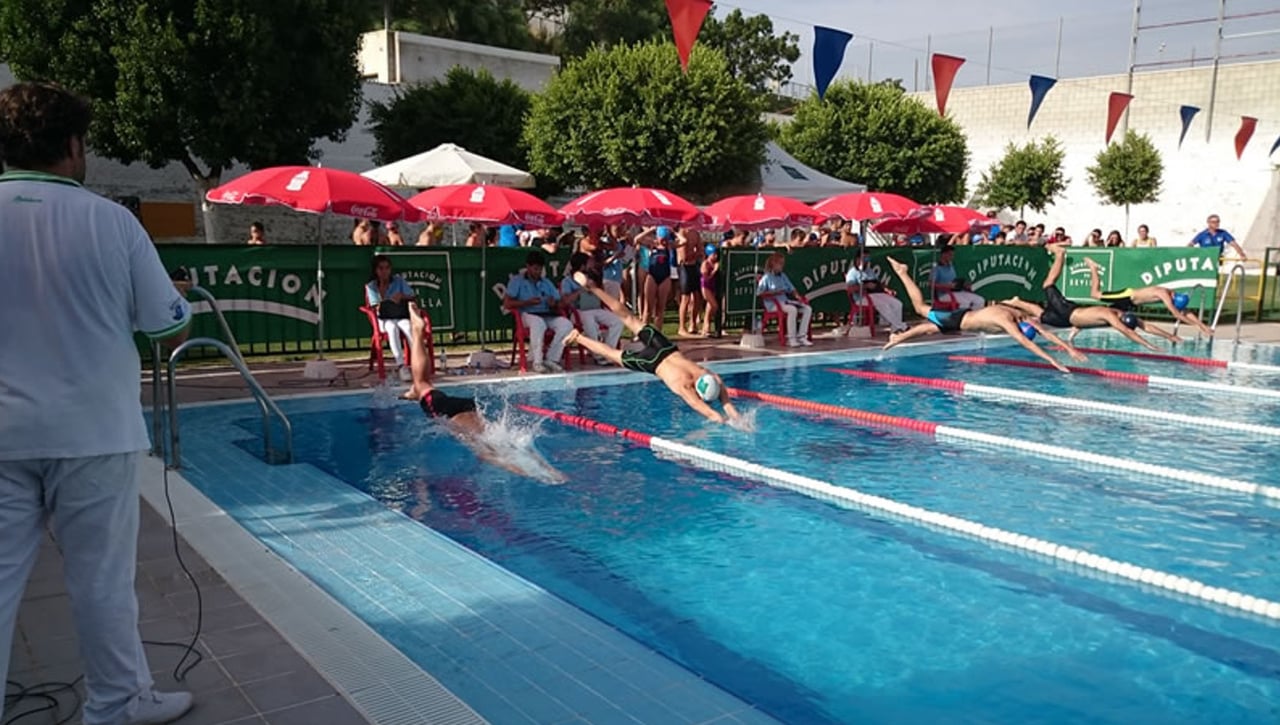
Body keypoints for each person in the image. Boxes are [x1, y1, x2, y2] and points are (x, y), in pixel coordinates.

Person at [0, 81, 195, 723]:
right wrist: (173, 294)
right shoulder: (111, 222)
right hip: (94, 432)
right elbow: (168, 328)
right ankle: (115, 706)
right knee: (101, 582)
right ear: (73, 146)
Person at [400, 304, 566, 484]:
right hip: (459, 410)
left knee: (423, 385)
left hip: (461, 409)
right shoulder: (488, 440)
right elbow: (493, 458)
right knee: (422, 384)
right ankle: (417, 332)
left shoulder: (492, 438)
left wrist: (547, 472)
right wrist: (539, 474)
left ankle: (415, 381)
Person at [563, 279, 741, 425]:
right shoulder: (684, 387)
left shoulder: (708, 374)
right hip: (652, 362)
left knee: (628, 317)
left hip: (665, 347)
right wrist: (736, 424)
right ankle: (578, 337)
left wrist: (732, 416)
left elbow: (724, 401)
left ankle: (593, 288)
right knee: (612, 354)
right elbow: (714, 414)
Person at [882, 257, 1081, 372]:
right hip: (958, 320)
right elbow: (1026, 342)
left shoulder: (1020, 315)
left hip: (962, 316)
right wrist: (1052, 361)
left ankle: (898, 338)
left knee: (929, 328)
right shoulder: (1006, 320)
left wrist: (1068, 348)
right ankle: (902, 272)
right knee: (920, 308)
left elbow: (1046, 333)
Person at [1000, 244, 1162, 351]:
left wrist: (1167, 337)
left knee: (1043, 316)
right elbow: (1126, 331)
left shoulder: (1117, 314)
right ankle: (1060, 254)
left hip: (1067, 320)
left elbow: (1140, 325)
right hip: (1068, 311)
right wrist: (1147, 344)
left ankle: (1017, 302)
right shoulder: (1109, 315)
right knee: (1048, 284)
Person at [1077, 257, 1212, 339]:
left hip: (1131, 303)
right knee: (1095, 294)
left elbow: (1185, 312)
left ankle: (1170, 337)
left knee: (1127, 322)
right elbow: (1176, 313)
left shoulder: (1173, 295)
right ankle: (1093, 268)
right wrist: (1197, 326)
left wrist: (1202, 325)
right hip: (1127, 295)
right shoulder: (1163, 293)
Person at [504, 250, 573, 373]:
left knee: (566, 325)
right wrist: (527, 302)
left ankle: (552, 358)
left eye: (540, 269)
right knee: (538, 323)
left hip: (546, 313)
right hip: (526, 314)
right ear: (528, 266)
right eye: (535, 269)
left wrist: (554, 304)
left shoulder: (546, 282)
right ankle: (537, 361)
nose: (538, 272)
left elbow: (559, 303)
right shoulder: (517, 281)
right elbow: (507, 303)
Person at [561, 252, 624, 363]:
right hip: (578, 311)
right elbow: (565, 301)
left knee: (617, 321)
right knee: (588, 319)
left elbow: (602, 295)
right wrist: (580, 291)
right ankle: (598, 354)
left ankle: (608, 352)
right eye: (589, 264)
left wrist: (595, 285)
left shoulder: (592, 276)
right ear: (582, 266)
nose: (592, 266)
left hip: (595, 308)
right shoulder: (567, 281)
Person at [365, 254, 416, 382]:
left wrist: (401, 296)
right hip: (383, 318)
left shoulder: (398, 281)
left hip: (400, 314)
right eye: (381, 268)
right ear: (375, 270)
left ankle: (418, 361)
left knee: (408, 327)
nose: (384, 271)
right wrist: (386, 300)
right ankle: (401, 365)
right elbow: (375, 306)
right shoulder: (371, 286)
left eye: (387, 268)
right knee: (392, 328)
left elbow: (412, 295)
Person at [757, 252, 813, 347]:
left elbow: (792, 288)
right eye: (780, 264)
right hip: (773, 304)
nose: (782, 266)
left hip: (785, 302)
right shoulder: (766, 278)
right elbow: (759, 293)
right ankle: (791, 338)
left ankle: (802, 336)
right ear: (774, 264)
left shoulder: (783, 276)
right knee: (792, 310)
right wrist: (773, 293)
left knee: (807, 309)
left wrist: (798, 297)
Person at [845, 252, 908, 334]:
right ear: (857, 259)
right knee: (883, 305)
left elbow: (878, 283)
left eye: (867, 259)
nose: (866, 261)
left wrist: (886, 289)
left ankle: (895, 328)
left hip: (876, 294)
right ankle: (901, 326)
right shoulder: (852, 273)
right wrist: (866, 286)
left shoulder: (870, 271)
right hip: (862, 298)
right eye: (864, 259)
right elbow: (851, 289)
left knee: (897, 304)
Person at [638, 226, 676, 327]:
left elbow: (684, 241)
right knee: (648, 308)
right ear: (658, 237)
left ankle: (658, 333)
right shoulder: (652, 245)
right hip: (652, 276)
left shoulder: (669, 246)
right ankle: (643, 332)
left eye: (666, 239)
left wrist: (674, 232)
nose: (664, 241)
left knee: (660, 308)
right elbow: (637, 239)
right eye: (662, 239)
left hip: (665, 277)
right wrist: (650, 230)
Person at [931, 246, 984, 310]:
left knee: (980, 300)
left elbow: (954, 281)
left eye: (952, 255)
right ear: (943, 254)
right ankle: (961, 318)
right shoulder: (936, 268)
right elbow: (931, 284)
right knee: (965, 303)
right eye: (950, 255)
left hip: (956, 292)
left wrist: (964, 284)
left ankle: (974, 318)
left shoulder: (951, 267)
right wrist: (946, 286)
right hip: (944, 295)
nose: (952, 257)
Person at [700, 244, 721, 337]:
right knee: (715, 306)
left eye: (716, 254)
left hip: (712, 287)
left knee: (709, 310)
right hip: (706, 287)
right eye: (713, 254)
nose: (715, 256)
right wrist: (714, 271)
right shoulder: (705, 264)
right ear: (709, 254)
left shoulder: (716, 263)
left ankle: (705, 329)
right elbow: (706, 278)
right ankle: (706, 326)